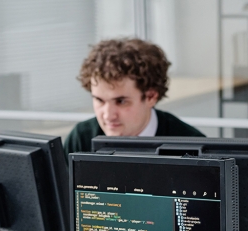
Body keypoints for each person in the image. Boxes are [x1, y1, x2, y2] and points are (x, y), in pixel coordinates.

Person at [63, 37, 204, 158]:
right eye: (99, 100)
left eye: (121, 101)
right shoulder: (81, 139)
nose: (108, 115)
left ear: (151, 97)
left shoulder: (193, 148)